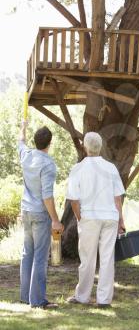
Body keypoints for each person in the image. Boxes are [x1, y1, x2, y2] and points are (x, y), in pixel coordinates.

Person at [66, 132, 125, 307]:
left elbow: (73, 199)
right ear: (100, 147)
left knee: (87, 258)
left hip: (89, 217)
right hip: (110, 217)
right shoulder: (111, 168)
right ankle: (104, 299)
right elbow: (117, 198)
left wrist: (79, 217)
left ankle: (82, 296)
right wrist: (121, 220)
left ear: (85, 147)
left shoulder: (78, 169)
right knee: (107, 258)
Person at [18, 121, 63, 309]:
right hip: (39, 214)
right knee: (39, 256)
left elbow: (20, 142)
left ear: (36, 142)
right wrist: (55, 220)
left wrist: (23, 127)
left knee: (27, 253)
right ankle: (37, 300)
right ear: (49, 143)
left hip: (25, 211)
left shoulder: (26, 155)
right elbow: (47, 195)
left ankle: (25, 296)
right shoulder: (48, 165)